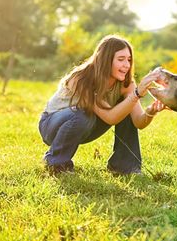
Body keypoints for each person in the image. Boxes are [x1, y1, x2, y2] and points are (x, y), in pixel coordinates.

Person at [38, 35, 165, 175]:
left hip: (85, 125)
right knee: (82, 114)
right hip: (52, 126)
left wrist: (150, 111)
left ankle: (124, 167)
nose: (127, 65)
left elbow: (138, 122)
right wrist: (136, 94)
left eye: (129, 60)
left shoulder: (125, 83)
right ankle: (56, 163)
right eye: (121, 59)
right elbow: (110, 118)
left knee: (126, 105)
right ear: (106, 59)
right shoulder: (80, 79)